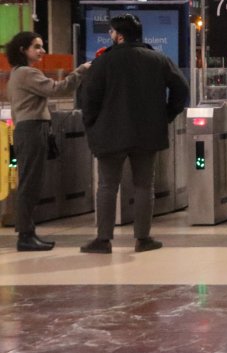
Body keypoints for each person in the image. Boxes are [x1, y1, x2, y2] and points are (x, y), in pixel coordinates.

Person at [79, 14, 188, 253]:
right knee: (143, 186)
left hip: (109, 133)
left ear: (118, 35)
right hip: (147, 133)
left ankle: (103, 239)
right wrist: (165, 116)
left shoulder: (103, 63)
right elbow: (181, 89)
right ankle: (143, 238)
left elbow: (88, 99)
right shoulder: (158, 59)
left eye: (111, 32)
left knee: (108, 185)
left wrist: (93, 126)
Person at [5, 32, 89, 251]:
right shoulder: (26, 73)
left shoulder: (19, 73)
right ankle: (25, 235)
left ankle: (28, 233)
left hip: (31, 129)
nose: (42, 51)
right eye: (37, 47)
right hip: (31, 130)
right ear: (23, 49)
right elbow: (57, 89)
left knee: (31, 182)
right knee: (30, 183)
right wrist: (80, 71)